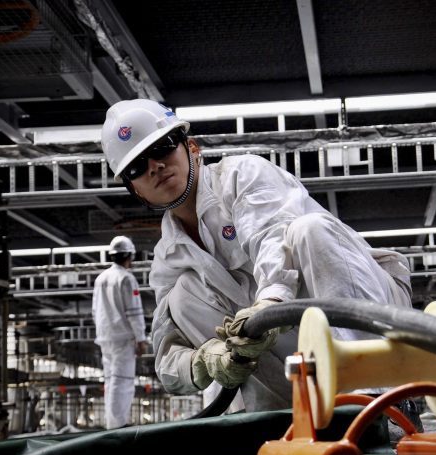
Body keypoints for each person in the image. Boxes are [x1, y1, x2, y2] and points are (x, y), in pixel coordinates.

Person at [100, 99, 413, 414]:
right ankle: (277, 418)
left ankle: (379, 401)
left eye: (163, 148)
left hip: (373, 313)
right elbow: (166, 358)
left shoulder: (241, 175)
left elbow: (272, 238)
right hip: (300, 341)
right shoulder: (168, 258)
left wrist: (270, 306)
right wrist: (205, 360)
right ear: (136, 190)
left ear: (192, 148)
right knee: (182, 297)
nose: (155, 166)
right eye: (137, 167)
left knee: (308, 230)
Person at [92, 235, 149, 428]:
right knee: (122, 381)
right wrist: (141, 338)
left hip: (105, 337)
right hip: (122, 338)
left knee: (110, 380)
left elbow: (95, 310)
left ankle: (111, 422)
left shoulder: (101, 279)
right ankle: (118, 425)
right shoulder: (126, 278)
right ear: (129, 256)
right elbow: (134, 311)